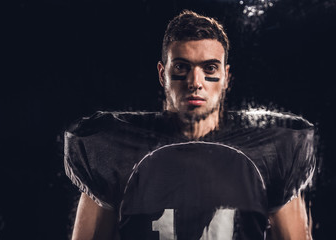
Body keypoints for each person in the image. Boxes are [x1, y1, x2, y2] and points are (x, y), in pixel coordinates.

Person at [64, 10, 315, 240]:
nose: (196, 82)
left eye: (209, 68)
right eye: (182, 67)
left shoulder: (272, 150)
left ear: (226, 76)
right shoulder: (113, 149)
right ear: (163, 74)